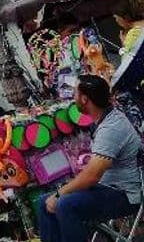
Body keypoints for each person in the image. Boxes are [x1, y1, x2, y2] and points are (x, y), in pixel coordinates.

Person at [37, 75, 142, 242]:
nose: (73, 98)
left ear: (85, 99)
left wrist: (59, 194)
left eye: (75, 94)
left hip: (123, 194)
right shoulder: (104, 120)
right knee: (43, 202)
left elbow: (92, 176)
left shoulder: (111, 128)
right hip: (106, 187)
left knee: (64, 204)